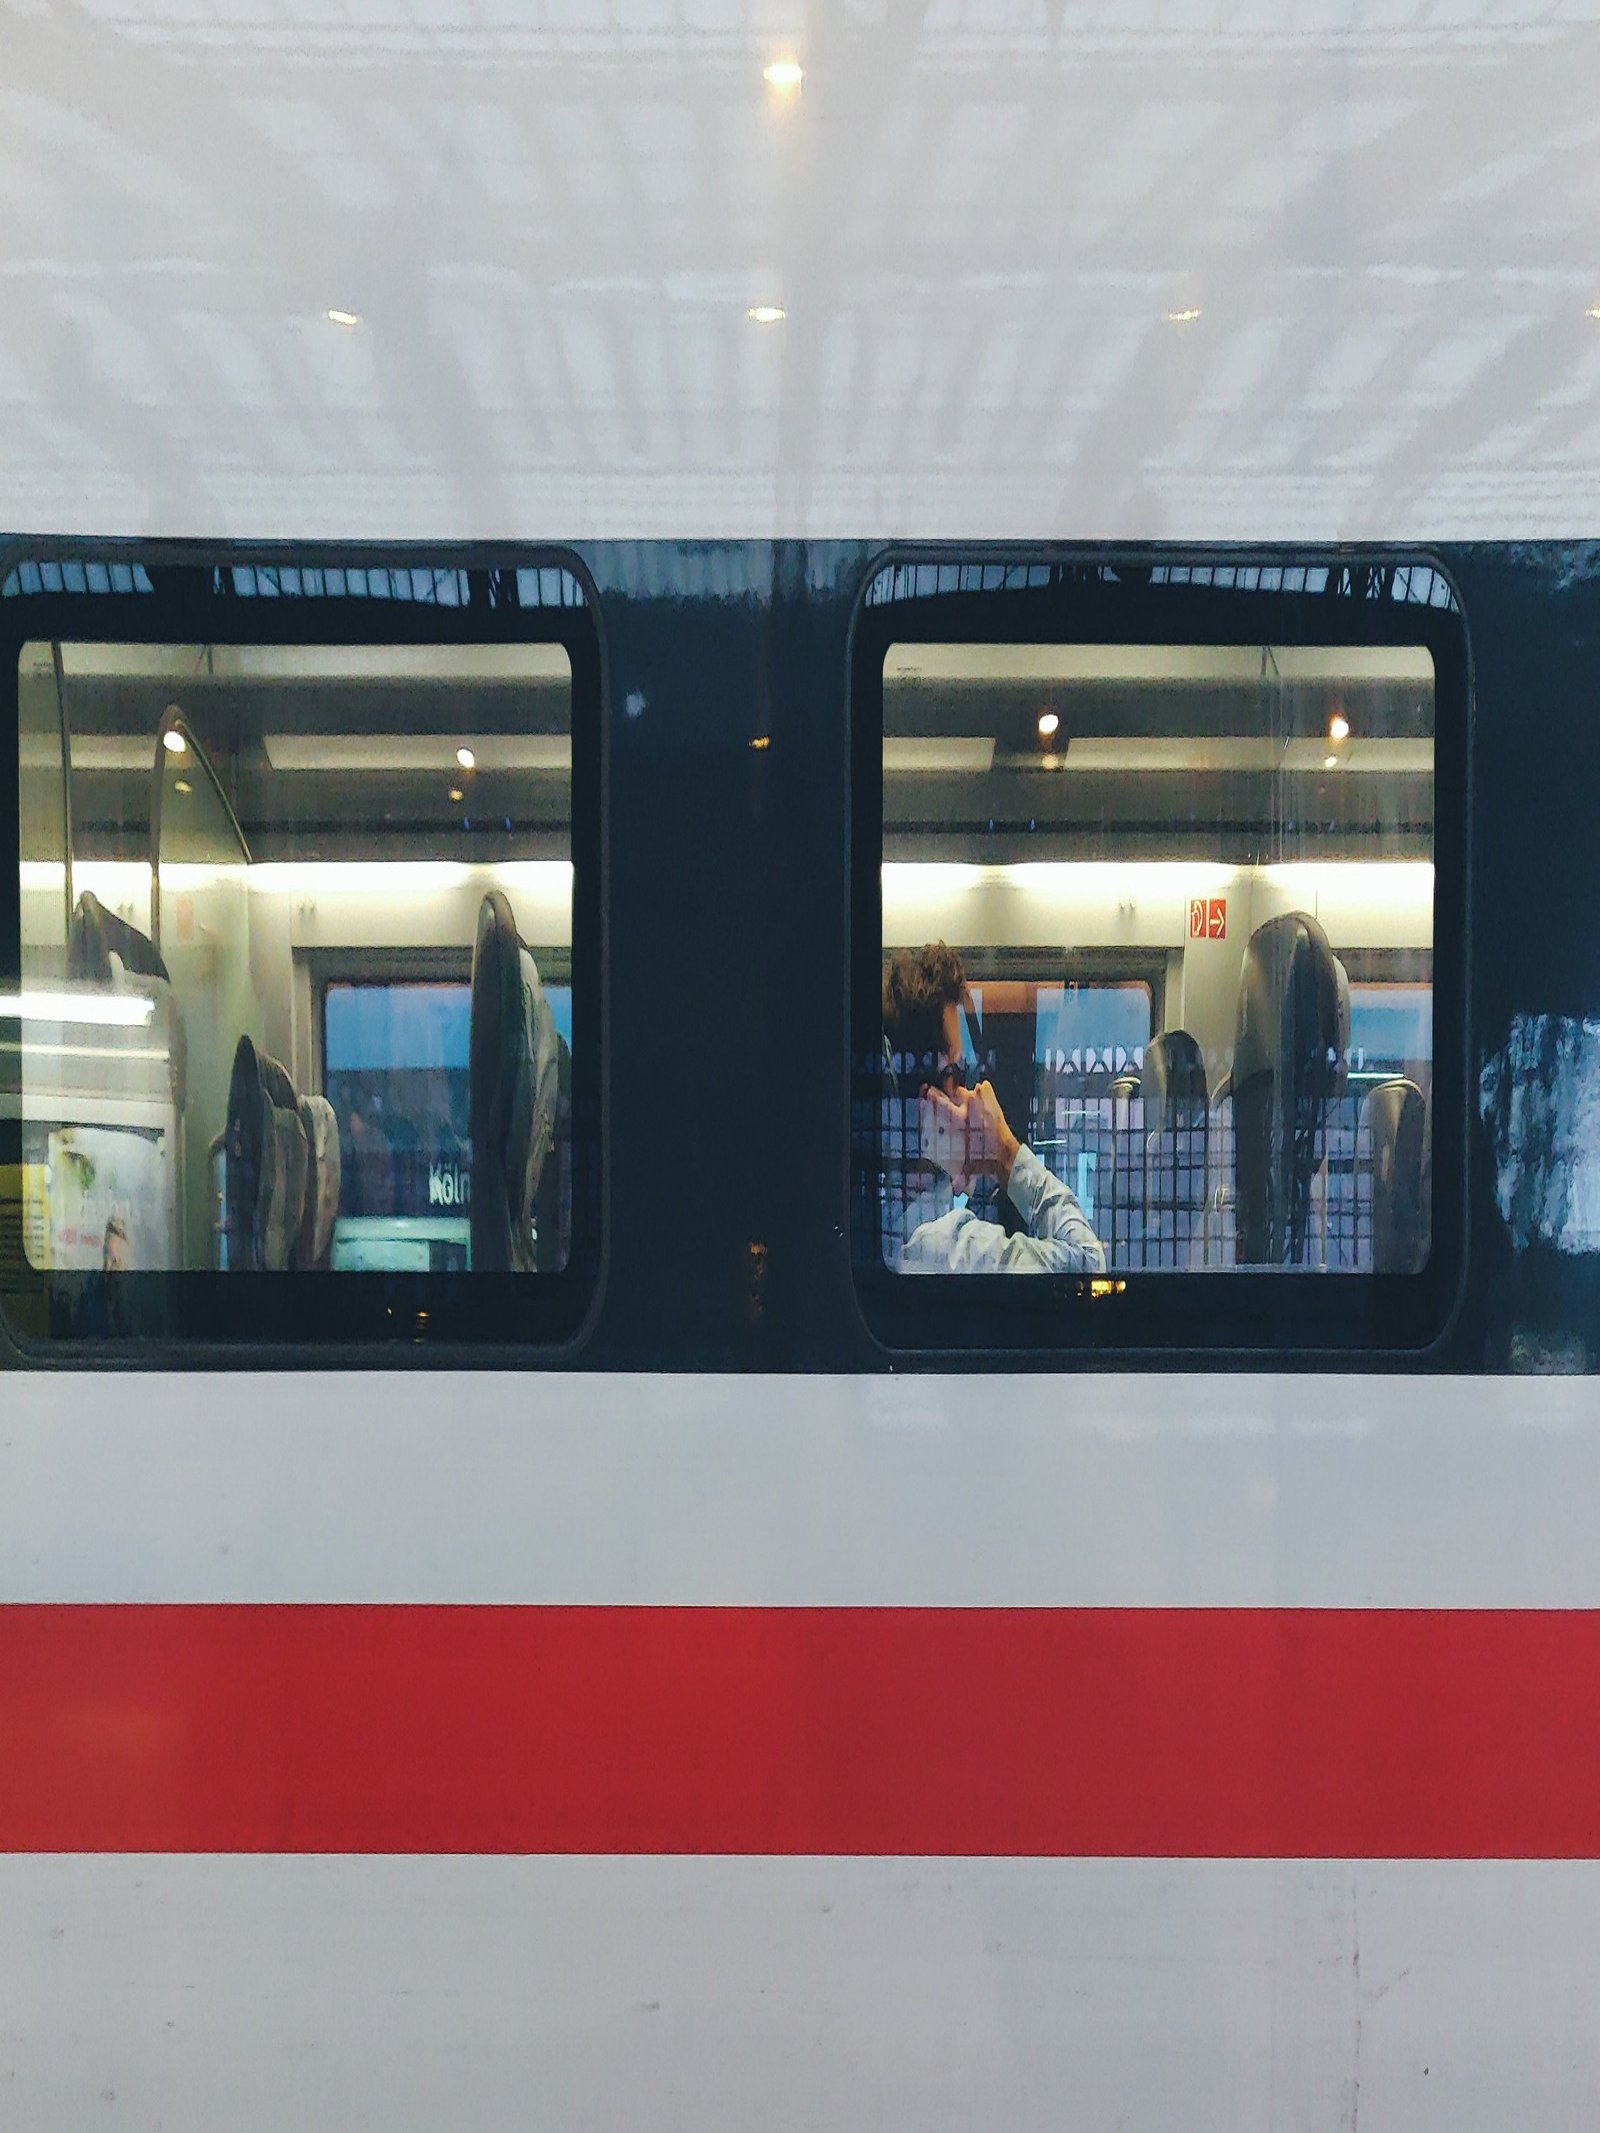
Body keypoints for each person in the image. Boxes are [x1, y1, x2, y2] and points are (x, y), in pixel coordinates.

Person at [882, 941, 1104, 1274]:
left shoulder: (882, 1234)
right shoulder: (950, 1249)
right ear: (925, 1107)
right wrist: (1006, 1153)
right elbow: (1087, 1262)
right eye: (955, 1074)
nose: (971, 1092)